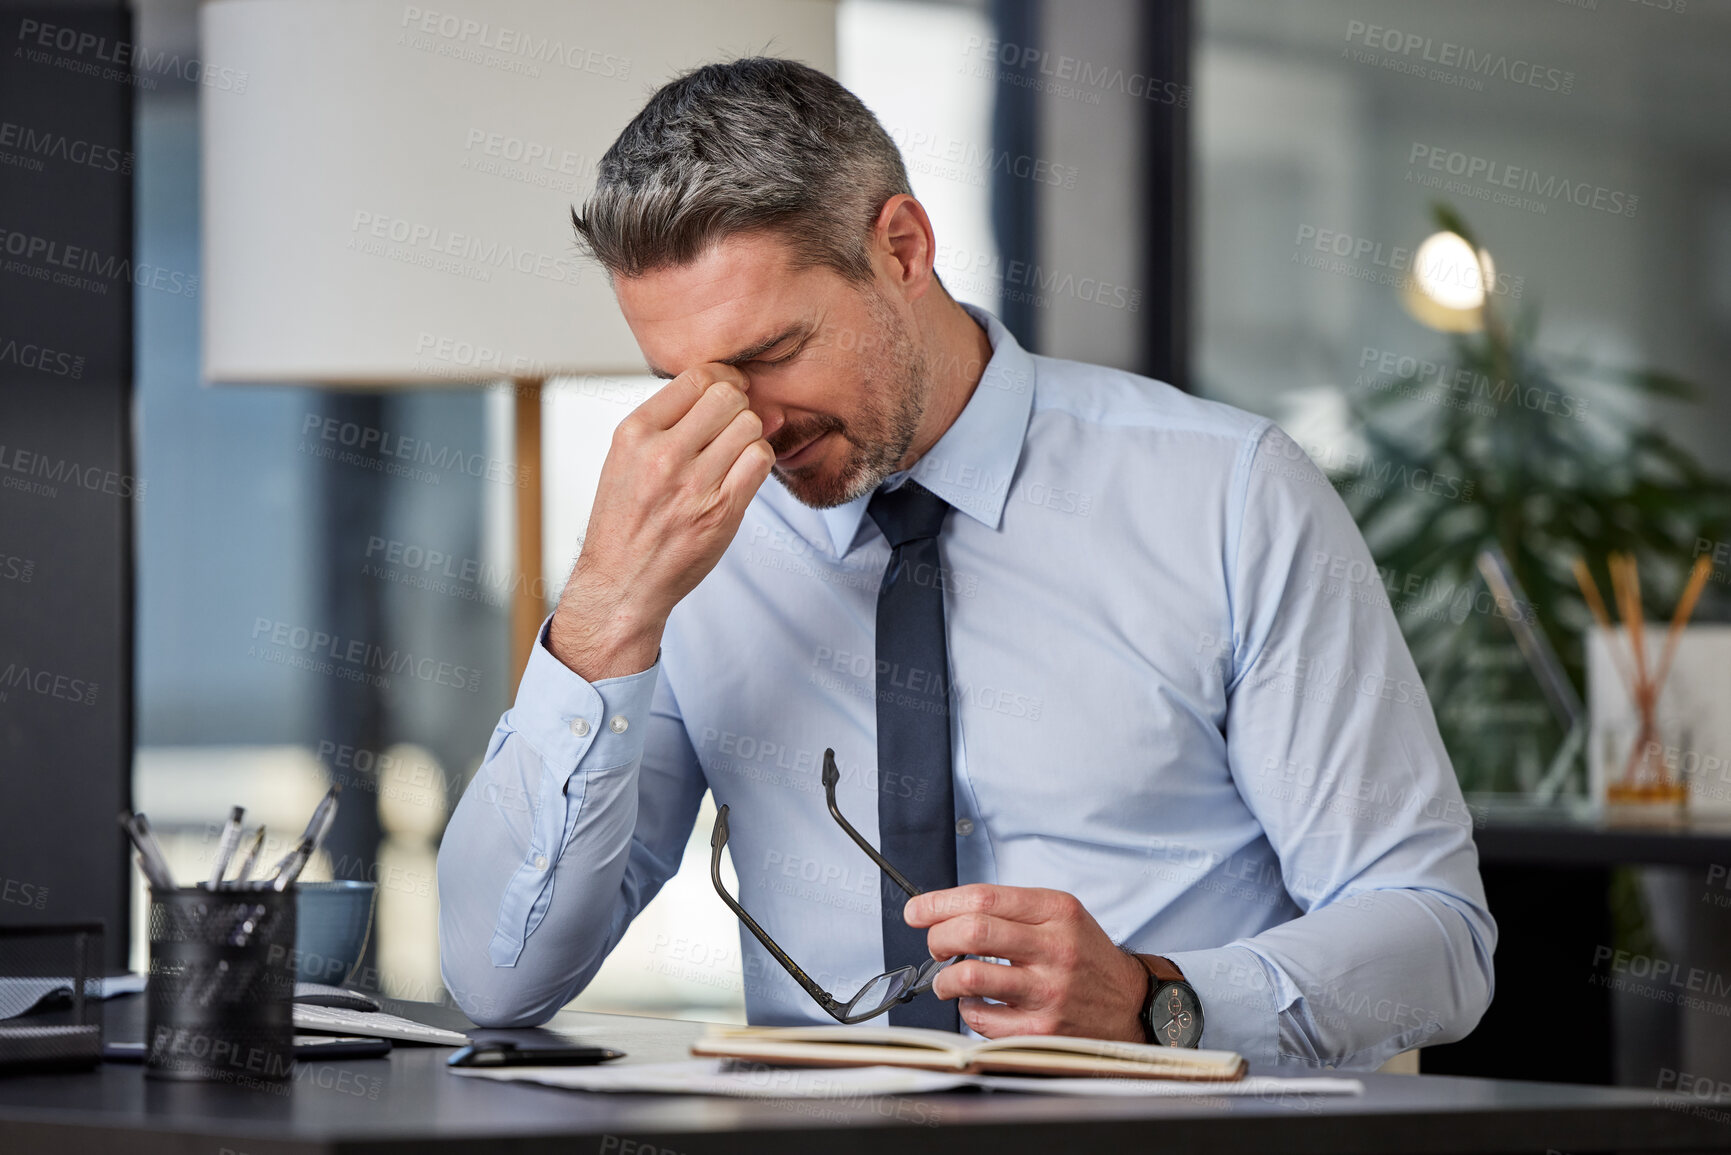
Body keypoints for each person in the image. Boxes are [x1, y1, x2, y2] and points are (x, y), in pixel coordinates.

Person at [437, 57, 1495, 1069]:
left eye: (770, 355)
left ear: (902, 247)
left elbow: (1436, 941)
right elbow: (500, 980)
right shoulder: (686, 550)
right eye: (687, 381)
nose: (744, 426)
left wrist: (1157, 999)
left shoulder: (1228, 495)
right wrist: (608, 610)